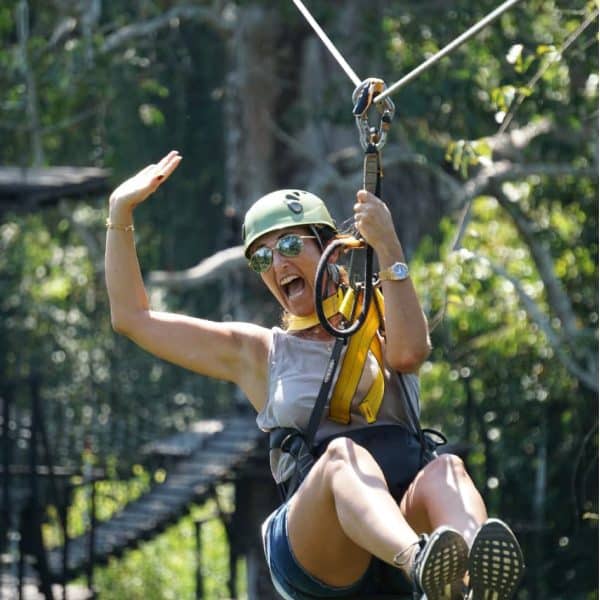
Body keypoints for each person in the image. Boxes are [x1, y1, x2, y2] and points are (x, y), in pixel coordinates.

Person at [105, 150, 524, 599]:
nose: (278, 265)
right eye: (263, 260)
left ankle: (468, 584)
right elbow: (133, 318)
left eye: (288, 246)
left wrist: (388, 246)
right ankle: (422, 565)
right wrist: (120, 211)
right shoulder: (259, 352)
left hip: (401, 512)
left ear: (329, 248)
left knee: (448, 469)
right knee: (343, 456)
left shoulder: (380, 318)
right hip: (318, 542)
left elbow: (409, 354)